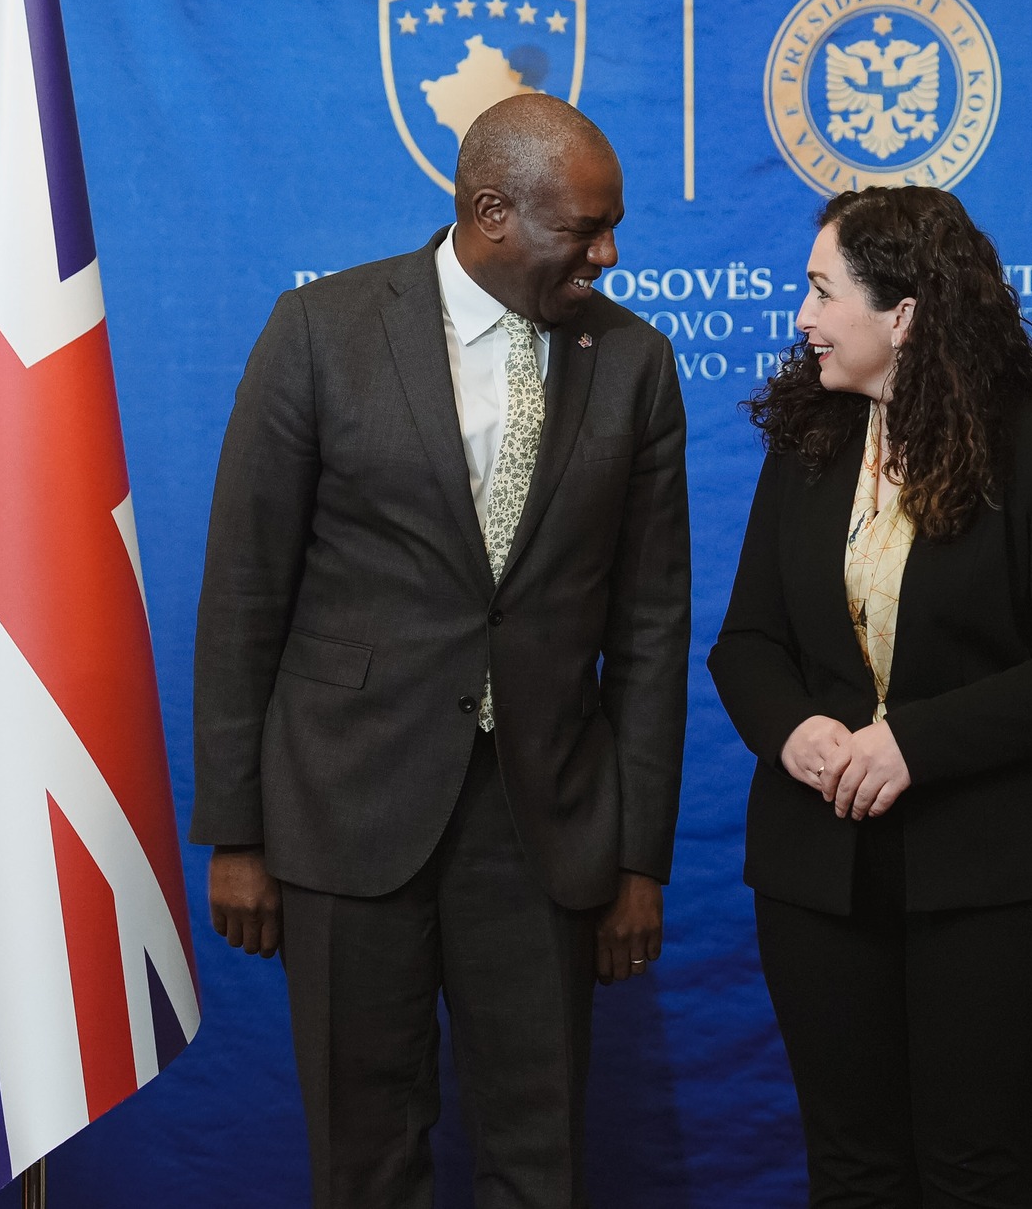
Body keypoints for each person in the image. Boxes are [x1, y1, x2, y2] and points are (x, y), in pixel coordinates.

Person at [192, 95, 689, 1209]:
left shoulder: (634, 362)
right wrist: (236, 832)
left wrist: (637, 860)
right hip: (344, 809)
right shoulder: (320, 331)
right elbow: (243, 592)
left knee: (540, 1154)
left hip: (543, 822)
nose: (607, 256)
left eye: (613, 228)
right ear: (492, 212)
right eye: (585, 230)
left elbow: (651, 630)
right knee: (364, 1157)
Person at [708, 186, 1032, 1209]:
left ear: (902, 313)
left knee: (972, 1173)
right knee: (852, 1170)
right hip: (817, 872)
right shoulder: (809, 442)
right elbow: (747, 642)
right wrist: (793, 731)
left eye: (823, 292)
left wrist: (912, 743)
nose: (804, 317)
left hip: (992, 875)